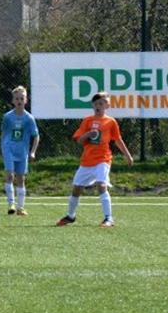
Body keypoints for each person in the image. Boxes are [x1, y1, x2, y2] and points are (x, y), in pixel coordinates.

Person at [56, 92, 134, 227]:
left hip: (103, 159)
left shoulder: (111, 122)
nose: (98, 106)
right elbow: (79, 140)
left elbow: (118, 140)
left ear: (107, 106)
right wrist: (88, 134)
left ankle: (108, 218)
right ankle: (70, 216)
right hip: (87, 161)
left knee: (101, 184)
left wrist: (128, 156)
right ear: (92, 106)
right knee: (76, 189)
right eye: (96, 104)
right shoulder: (87, 120)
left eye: (101, 103)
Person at [0, 86, 40, 216]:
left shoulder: (29, 118)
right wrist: (3, 147)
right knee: (10, 175)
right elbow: (4, 133)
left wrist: (33, 152)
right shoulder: (8, 117)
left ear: (26, 100)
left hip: (22, 152)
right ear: (13, 100)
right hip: (9, 149)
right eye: (17, 98)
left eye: (22, 98)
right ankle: (11, 204)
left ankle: (20, 207)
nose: (19, 101)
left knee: (21, 178)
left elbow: (36, 136)